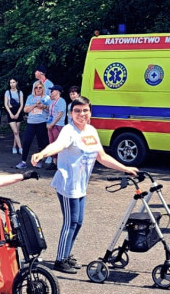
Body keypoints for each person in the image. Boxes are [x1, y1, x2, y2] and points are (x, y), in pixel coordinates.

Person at [32, 95, 139, 274]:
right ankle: (60, 259)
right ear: (71, 113)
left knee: (79, 222)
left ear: (90, 112)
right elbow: (57, 145)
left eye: (85, 110)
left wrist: (125, 168)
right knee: (70, 222)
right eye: (77, 111)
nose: (81, 114)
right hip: (68, 183)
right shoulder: (69, 130)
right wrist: (42, 153)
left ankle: (66, 254)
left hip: (81, 184)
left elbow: (102, 157)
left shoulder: (91, 131)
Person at [16, 81, 50, 169]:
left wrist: (43, 106)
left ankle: (39, 161)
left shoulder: (46, 98)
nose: (38, 89)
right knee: (26, 141)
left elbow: (51, 109)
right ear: (34, 89)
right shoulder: (30, 97)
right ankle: (23, 161)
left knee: (41, 143)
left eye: (40, 87)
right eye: (36, 87)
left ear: (43, 88)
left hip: (41, 122)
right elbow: (25, 109)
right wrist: (35, 105)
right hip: (31, 123)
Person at [45, 85, 67, 167]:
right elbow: (50, 113)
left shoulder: (61, 101)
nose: (51, 92)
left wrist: (52, 124)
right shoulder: (52, 101)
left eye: (53, 91)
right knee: (52, 143)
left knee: (58, 143)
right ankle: (54, 162)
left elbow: (60, 114)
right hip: (50, 124)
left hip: (58, 125)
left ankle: (60, 162)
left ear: (58, 92)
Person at [4, 78, 24, 156]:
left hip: (18, 111)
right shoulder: (7, 92)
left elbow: (22, 104)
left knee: (17, 132)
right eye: (10, 82)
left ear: (16, 83)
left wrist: (18, 113)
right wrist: (10, 114)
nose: (12, 84)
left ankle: (14, 147)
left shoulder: (20, 92)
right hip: (11, 111)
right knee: (15, 131)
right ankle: (21, 148)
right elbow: (6, 104)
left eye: (13, 82)